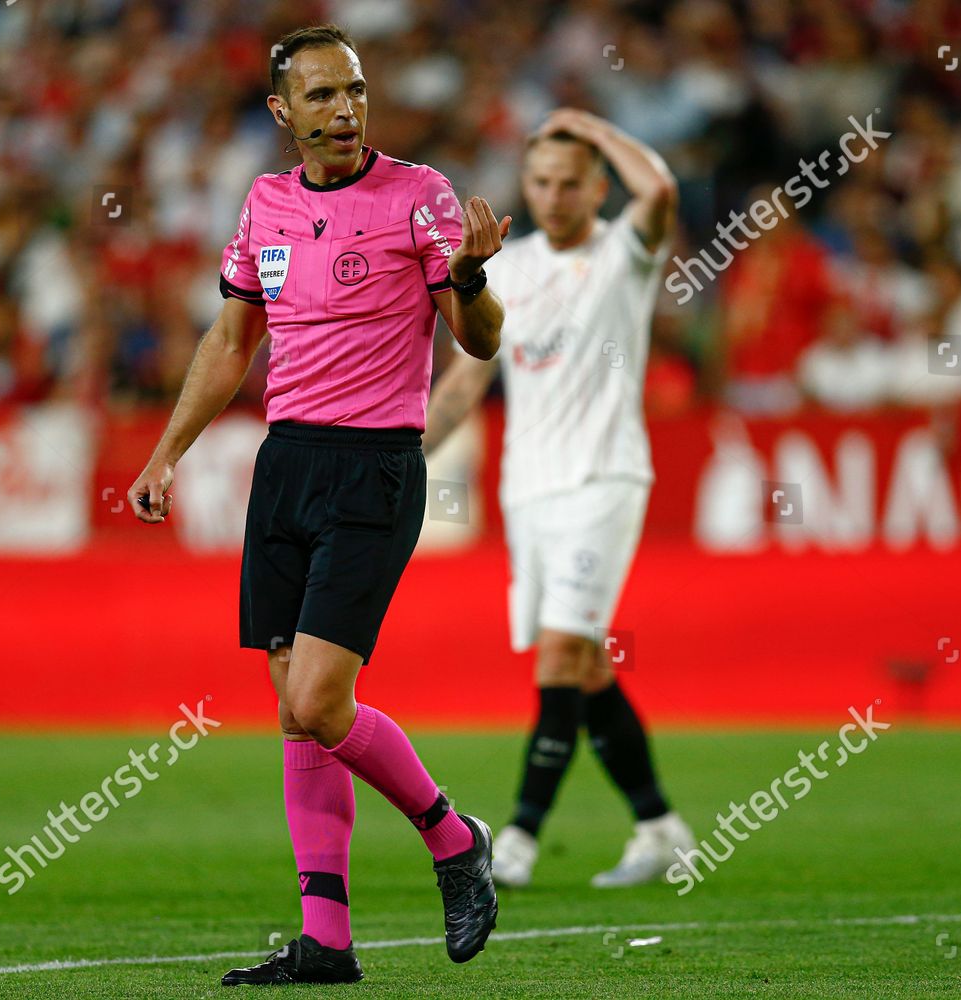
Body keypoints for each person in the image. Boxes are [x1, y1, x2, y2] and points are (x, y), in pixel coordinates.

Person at [127, 24, 510, 986]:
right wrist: (167, 451)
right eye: (323, 96)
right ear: (282, 113)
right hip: (286, 464)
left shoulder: (418, 196)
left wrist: (469, 276)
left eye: (355, 92)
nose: (344, 110)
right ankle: (325, 941)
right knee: (294, 718)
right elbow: (231, 340)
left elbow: (480, 341)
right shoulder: (264, 205)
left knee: (317, 699)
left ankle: (453, 836)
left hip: (376, 466)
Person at [422, 108, 694, 889]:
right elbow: (467, 381)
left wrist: (596, 128)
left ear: (597, 185)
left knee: (559, 656)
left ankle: (517, 840)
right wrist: (405, 458)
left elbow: (662, 189)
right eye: (540, 181)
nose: (553, 195)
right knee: (588, 667)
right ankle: (658, 823)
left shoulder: (623, 252)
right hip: (529, 491)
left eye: (570, 182)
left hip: (603, 478)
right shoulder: (508, 269)